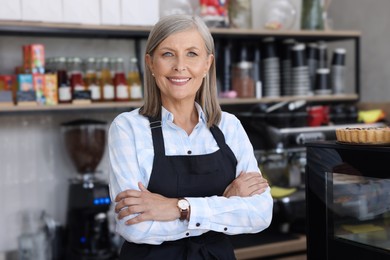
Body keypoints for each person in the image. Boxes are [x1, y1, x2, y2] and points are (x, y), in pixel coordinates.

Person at [108, 14, 273, 259]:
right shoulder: (128, 128)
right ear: (150, 63)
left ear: (207, 64)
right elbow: (136, 225)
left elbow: (260, 214)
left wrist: (178, 208)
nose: (179, 66)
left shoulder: (229, 127)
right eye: (167, 54)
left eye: (192, 54)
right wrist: (223, 203)